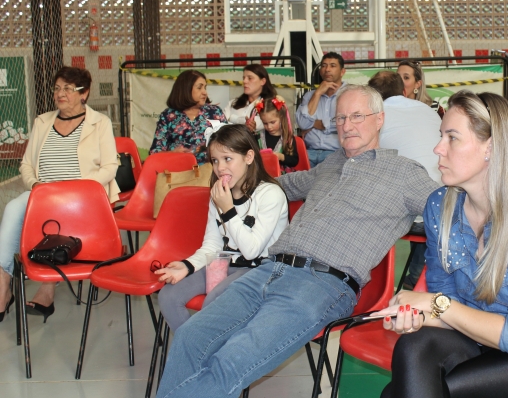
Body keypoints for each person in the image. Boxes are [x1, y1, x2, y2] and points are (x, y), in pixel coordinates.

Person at [155, 85, 439, 398]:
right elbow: (281, 185)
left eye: (357, 116)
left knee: (230, 363)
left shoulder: (403, 172)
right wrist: (232, 172)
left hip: (322, 283)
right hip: (268, 270)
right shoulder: (331, 164)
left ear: (379, 119)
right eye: (340, 118)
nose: (347, 125)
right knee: (190, 337)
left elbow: (449, 209)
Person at [375, 90, 508, 398]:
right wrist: (415, 316)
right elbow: (447, 301)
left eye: (452, 138)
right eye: (441, 136)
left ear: (490, 148)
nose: (438, 148)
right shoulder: (439, 206)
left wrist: (436, 305)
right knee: (413, 345)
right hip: (473, 338)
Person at [0, 67, 119, 323]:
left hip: (82, 197)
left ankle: (47, 287)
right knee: (12, 208)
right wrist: (36, 187)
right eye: (57, 88)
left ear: (84, 93)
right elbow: (26, 165)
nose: (60, 93)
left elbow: (110, 167)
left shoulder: (100, 122)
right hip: (43, 194)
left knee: (59, 218)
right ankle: (3, 283)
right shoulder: (42, 121)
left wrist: (79, 189)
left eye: (68, 88)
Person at [155, 124, 289, 330]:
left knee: (214, 303)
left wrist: (228, 210)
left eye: (228, 159)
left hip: (261, 269)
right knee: (168, 296)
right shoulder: (219, 194)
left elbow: (252, 251)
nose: (220, 168)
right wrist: (187, 266)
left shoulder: (270, 194)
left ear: (249, 157)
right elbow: (212, 245)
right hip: (227, 263)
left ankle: (203, 347)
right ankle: (198, 349)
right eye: (215, 161)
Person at [368, 71, 442, 289]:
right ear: (403, 91)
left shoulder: (375, 117)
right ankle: (416, 277)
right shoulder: (428, 111)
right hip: (443, 203)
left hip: (411, 212)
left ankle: (376, 283)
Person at [150, 70, 227, 165]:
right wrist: (172, 154)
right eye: (199, 88)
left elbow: (228, 143)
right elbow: (155, 152)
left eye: (205, 88)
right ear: (186, 89)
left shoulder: (215, 112)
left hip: (211, 170)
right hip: (178, 170)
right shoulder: (168, 116)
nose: (205, 92)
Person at [296, 52, 347, 167]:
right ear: (320, 71)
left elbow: (347, 122)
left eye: (333, 66)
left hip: (336, 152)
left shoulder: (349, 94)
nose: (327, 69)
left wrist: (318, 124)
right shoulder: (310, 96)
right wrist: (318, 93)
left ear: (342, 72)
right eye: (324, 66)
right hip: (309, 152)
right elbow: (303, 124)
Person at [222, 64, 277, 147]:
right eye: (243, 78)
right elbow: (222, 123)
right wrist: (243, 122)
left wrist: (232, 119)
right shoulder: (233, 103)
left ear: (262, 81)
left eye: (250, 78)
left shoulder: (272, 104)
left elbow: (264, 124)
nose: (245, 81)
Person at [258, 97, 299, 172]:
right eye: (265, 123)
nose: (269, 127)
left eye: (272, 122)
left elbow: (294, 161)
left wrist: (281, 157)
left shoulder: (288, 138)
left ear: (281, 117)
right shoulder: (258, 136)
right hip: (264, 174)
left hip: (283, 177)